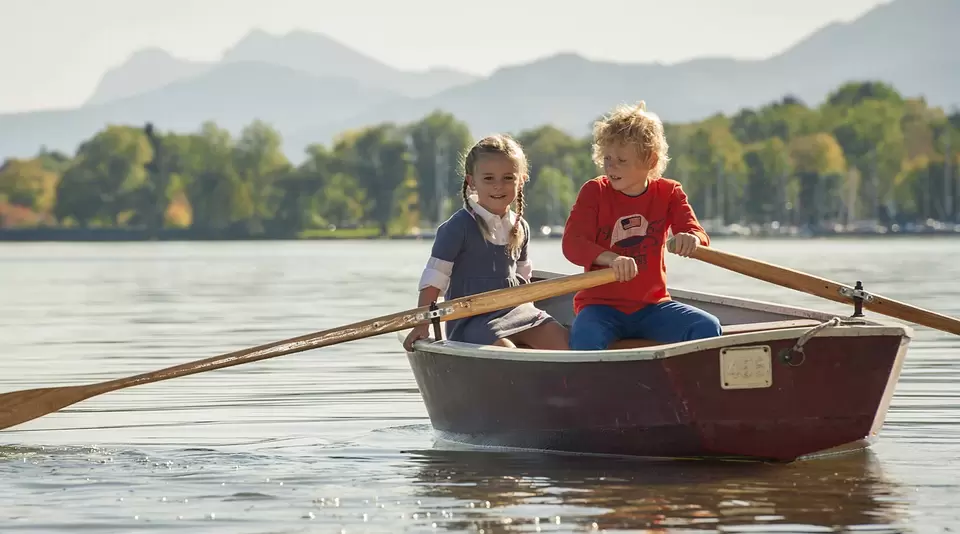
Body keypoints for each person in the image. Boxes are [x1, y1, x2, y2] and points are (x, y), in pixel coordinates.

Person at [561, 101, 722, 350]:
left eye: (621, 160)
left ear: (650, 160)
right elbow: (572, 245)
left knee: (707, 327)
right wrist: (612, 259)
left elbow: (696, 232)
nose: (611, 166)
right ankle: (590, 389)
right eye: (607, 158)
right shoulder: (595, 191)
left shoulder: (669, 192)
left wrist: (691, 238)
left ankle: (687, 387)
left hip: (652, 307)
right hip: (600, 307)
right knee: (585, 338)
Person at [402, 134, 569, 352]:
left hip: (517, 310)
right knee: (505, 352)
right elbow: (433, 281)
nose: (498, 186)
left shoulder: (521, 227)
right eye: (489, 178)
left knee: (565, 342)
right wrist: (421, 323)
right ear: (472, 181)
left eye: (508, 178)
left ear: (522, 180)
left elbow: (524, 279)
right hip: (472, 318)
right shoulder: (457, 228)